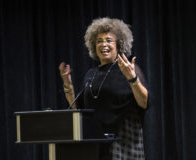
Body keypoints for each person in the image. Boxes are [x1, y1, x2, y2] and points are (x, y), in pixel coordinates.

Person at [59, 17, 149, 160]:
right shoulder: (91, 74)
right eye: (99, 41)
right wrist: (68, 86)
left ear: (118, 44)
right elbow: (78, 110)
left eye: (108, 40)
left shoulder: (129, 70)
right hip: (95, 143)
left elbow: (144, 102)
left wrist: (132, 78)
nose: (103, 44)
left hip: (124, 143)